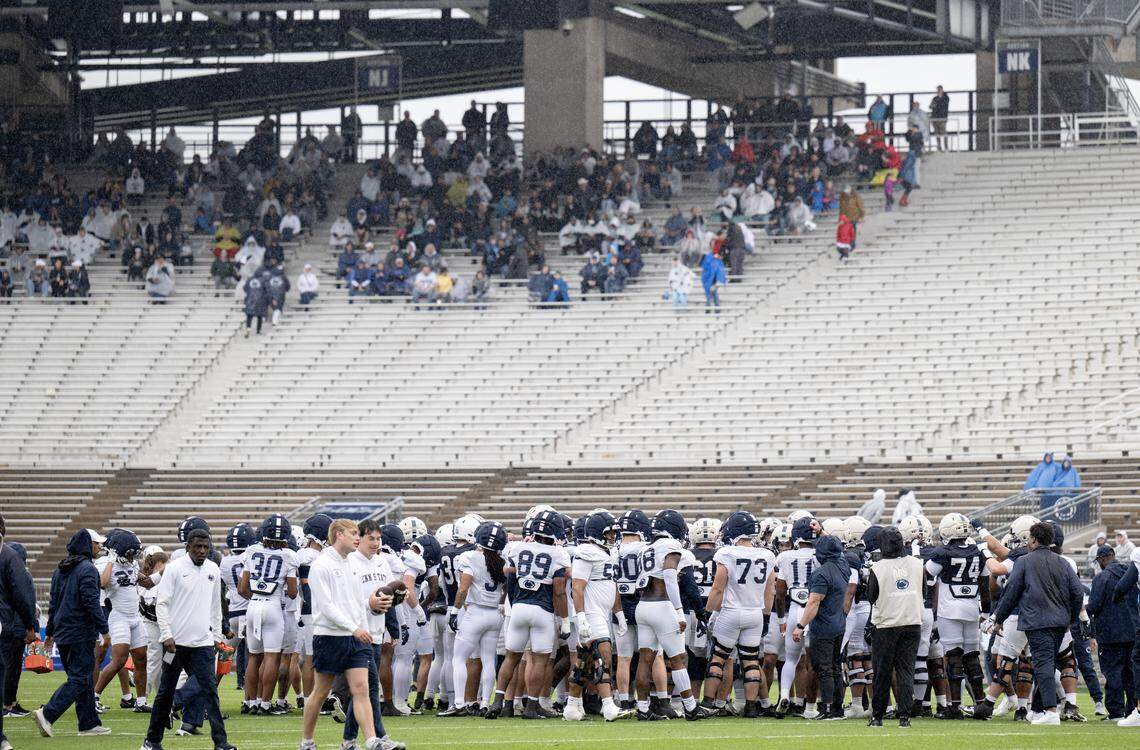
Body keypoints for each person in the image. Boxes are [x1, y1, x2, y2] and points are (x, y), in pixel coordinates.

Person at [299, 519, 403, 750]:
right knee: (320, 692)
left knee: (362, 689)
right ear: (338, 534)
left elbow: (358, 603)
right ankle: (306, 741)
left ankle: (371, 740)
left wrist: (363, 626)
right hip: (329, 636)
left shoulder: (352, 563)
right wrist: (354, 627)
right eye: (354, 533)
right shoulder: (322, 564)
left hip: (357, 638)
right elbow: (326, 606)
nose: (358, 537)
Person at [139, 529, 234, 750]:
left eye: (205, 547)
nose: (201, 551)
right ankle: (151, 741)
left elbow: (215, 607)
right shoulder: (174, 569)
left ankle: (221, 743)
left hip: (202, 644)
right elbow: (161, 603)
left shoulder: (213, 569)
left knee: (210, 692)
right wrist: (166, 635)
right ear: (188, 546)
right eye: (197, 546)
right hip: (175, 644)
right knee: (165, 692)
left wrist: (216, 637)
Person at [988, 522, 1084, 725]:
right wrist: (1071, 618)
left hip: (1037, 621)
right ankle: (1041, 710)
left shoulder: (1024, 561)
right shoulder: (1063, 562)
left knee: (1042, 665)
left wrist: (999, 619)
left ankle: (1050, 712)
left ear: (1032, 539)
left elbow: (1011, 593)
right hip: (1060, 622)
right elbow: (1077, 592)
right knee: (1046, 664)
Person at [35, 529, 110, 738]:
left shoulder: (61, 569)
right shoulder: (87, 569)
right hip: (80, 632)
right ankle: (48, 713)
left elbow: (54, 603)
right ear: (87, 546)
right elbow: (90, 602)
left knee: (83, 679)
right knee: (79, 678)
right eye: (96, 544)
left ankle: (88, 723)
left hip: (63, 632)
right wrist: (104, 629)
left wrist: (50, 631)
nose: (99, 547)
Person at [865, 526, 924, 727]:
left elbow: (871, 596)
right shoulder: (917, 564)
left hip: (886, 624)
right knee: (906, 671)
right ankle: (905, 716)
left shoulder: (878, 568)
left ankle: (878, 716)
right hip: (912, 622)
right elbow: (923, 590)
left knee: (882, 672)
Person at [793, 533, 851, 721]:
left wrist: (800, 625)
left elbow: (814, 603)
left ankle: (826, 708)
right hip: (839, 624)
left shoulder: (821, 573)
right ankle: (837, 708)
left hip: (824, 625)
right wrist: (823, 532)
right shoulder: (843, 566)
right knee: (835, 667)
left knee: (824, 668)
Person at [1086, 544, 1138, 720]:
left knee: (1113, 672)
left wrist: (1082, 610)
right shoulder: (1131, 573)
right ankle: (1133, 710)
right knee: (1131, 673)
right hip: (1132, 632)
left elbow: (1093, 607)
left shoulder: (1101, 578)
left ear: (1101, 559)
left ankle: (1116, 711)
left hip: (1110, 634)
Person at [0, 514, 37, 744]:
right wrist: (30, 624)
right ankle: (7, 706)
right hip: (7, 626)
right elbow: (21, 597)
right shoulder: (9, 558)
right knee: (6, 669)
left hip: (7, 623)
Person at [930, 86, 950, 151]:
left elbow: (942, 105)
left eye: (940, 90)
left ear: (942, 90)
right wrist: (935, 104)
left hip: (942, 118)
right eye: (938, 90)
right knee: (937, 133)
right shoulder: (935, 98)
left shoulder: (946, 98)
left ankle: (946, 147)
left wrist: (937, 104)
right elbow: (931, 106)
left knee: (944, 132)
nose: (938, 91)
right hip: (935, 118)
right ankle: (939, 147)